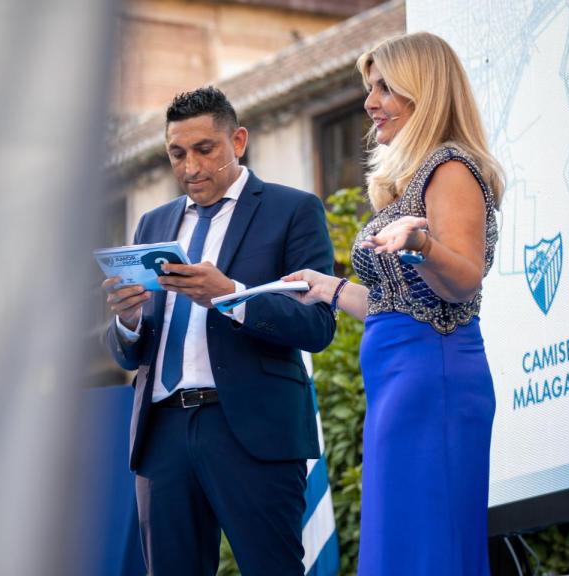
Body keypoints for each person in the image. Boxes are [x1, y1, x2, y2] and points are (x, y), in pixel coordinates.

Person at [284, 32, 504, 575]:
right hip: (400, 379)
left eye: (384, 87)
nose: (370, 102)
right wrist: (328, 288)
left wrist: (421, 244)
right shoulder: (411, 179)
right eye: (370, 88)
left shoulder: (450, 168)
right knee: (402, 543)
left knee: (426, 546)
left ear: (422, 90)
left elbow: (464, 280)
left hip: (434, 378)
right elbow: (397, 302)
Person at [102, 86, 336, 575]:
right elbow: (130, 353)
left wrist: (231, 295)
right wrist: (126, 320)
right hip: (162, 434)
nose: (190, 167)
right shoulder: (152, 224)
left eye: (204, 149)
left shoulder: (293, 209)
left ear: (238, 141)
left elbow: (317, 326)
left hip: (252, 430)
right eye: (177, 154)